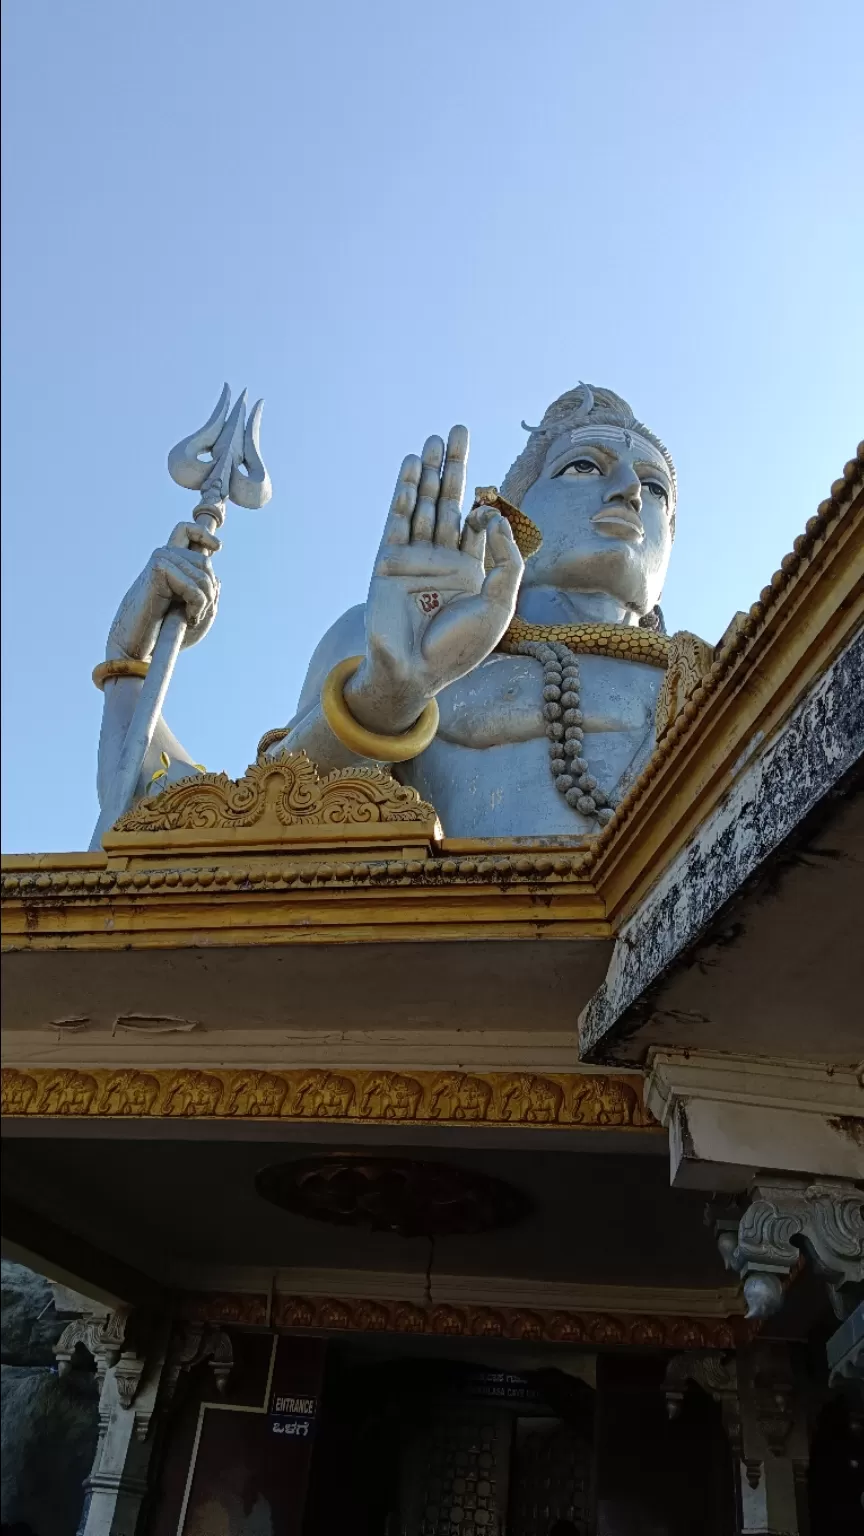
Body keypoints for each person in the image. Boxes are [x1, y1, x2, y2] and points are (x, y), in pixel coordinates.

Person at [96, 384, 685, 840]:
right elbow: (238, 824)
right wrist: (386, 696)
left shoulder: (710, 677)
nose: (630, 491)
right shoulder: (405, 630)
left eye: (657, 490)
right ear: (513, 509)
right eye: (584, 466)